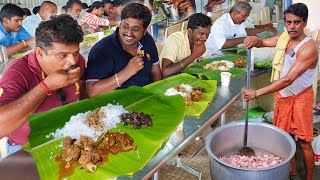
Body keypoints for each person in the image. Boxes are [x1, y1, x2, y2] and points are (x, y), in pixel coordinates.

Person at [242, 3, 318, 180]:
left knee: (305, 143)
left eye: (297, 22)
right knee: (284, 138)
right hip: (284, 97)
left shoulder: (309, 48)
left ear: (304, 23)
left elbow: (288, 79)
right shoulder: (285, 38)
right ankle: (289, 172)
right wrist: (256, 40)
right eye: (288, 22)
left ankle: (308, 178)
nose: (292, 27)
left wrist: (256, 93)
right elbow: (265, 41)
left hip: (301, 98)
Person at [0, 14, 86, 155]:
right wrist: (45, 87)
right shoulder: (17, 73)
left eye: (76, 52)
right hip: (28, 147)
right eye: (62, 55)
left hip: (68, 136)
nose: (73, 61)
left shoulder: (78, 61)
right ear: (40, 53)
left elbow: (82, 88)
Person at [85, 3, 162, 97]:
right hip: (118, 106)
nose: (129, 33)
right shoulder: (102, 50)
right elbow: (92, 91)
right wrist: (126, 72)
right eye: (125, 26)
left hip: (146, 98)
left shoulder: (147, 41)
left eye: (135, 29)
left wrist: (158, 94)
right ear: (120, 23)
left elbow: (155, 72)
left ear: (145, 30)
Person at [206, 2, 276, 56]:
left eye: (246, 17)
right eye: (244, 16)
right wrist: (245, 39)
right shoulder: (221, 24)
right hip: (215, 55)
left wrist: (258, 36)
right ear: (236, 12)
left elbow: (243, 33)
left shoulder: (238, 22)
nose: (245, 19)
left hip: (229, 53)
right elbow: (223, 44)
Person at [160, 13, 212, 78]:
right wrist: (194, 55)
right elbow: (166, 72)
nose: (205, 38)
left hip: (188, 79)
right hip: (170, 82)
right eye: (201, 34)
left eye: (208, 34)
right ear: (190, 31)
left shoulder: (201, 41)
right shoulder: (175, 40)